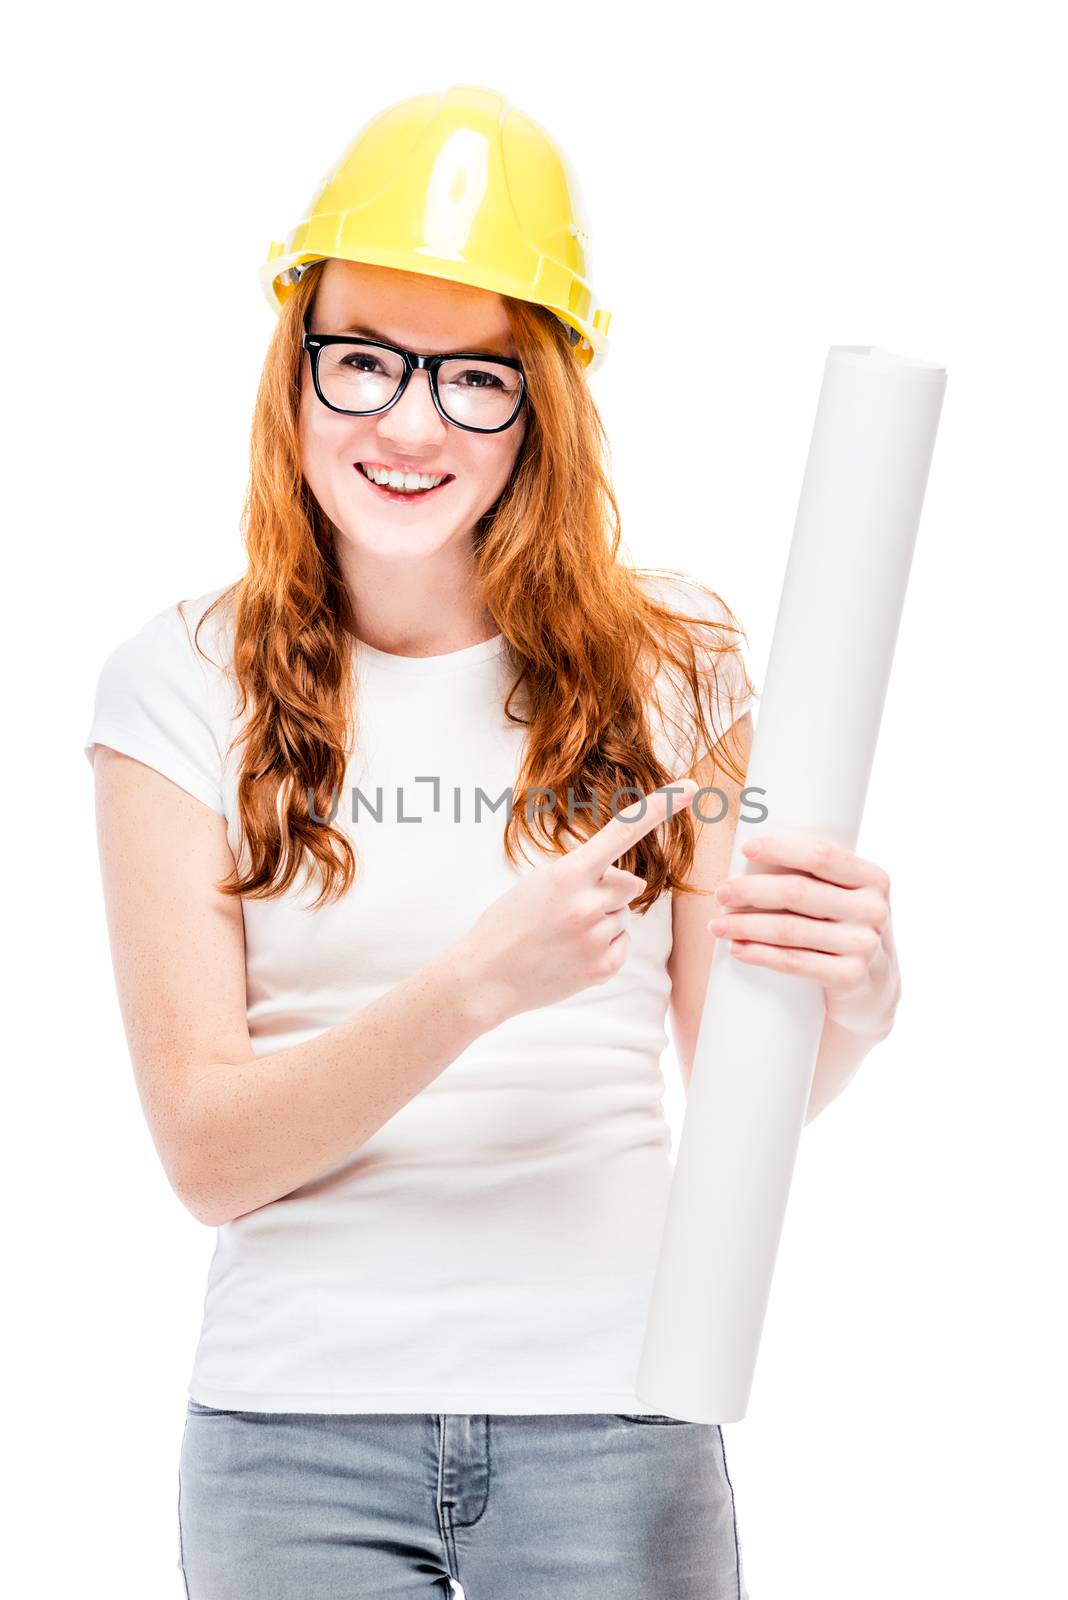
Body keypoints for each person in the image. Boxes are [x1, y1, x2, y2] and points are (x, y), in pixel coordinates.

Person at [84, 85, 900, 1600]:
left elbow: (744, 1104)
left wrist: (851, 1006)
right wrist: (475, 985)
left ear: (542, 406)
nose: (409, 422)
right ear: (296, 368)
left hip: (615, 1418)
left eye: (475, 379)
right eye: (365, 361)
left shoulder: (681, 669)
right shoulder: (176, 684)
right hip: (291, 1437)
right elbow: (205, 1154)